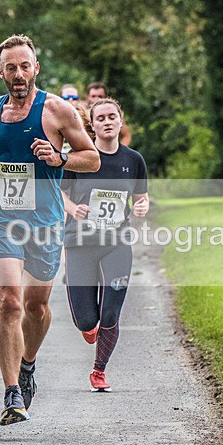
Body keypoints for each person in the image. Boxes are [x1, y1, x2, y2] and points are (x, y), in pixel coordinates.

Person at [0, 34, 99, 425]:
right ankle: (11, 394)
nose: (18, 73)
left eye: (25, 66)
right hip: (3, 216)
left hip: (45, 221)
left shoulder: (58, 111)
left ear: (36, 68)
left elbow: (90, 158)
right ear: (0, 72)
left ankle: (27, 365)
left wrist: (59, 158)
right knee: (9, 301)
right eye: (11, 67)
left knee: (36, 307)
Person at [61, 97, 148, 392]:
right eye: (101, 118)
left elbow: (140, 196)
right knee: (87, 320)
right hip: (80, 241)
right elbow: (58, 194)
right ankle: (88, 327)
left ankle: (99, 371)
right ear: (93, 125)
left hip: (117, 242)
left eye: (113, 117)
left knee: (111, 311)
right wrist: (72, 209)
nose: (108, 122)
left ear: (120, 122)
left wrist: (141, 207)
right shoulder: (78, 158)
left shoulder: (133, 161)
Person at [86, 82, 132, 146]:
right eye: (93, 96)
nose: (96, 99)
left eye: (100, 96)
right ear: (87, 97)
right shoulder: (81, 115)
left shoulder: (114, 114)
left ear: (106, 97)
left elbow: (126, 136)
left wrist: (120, 152)